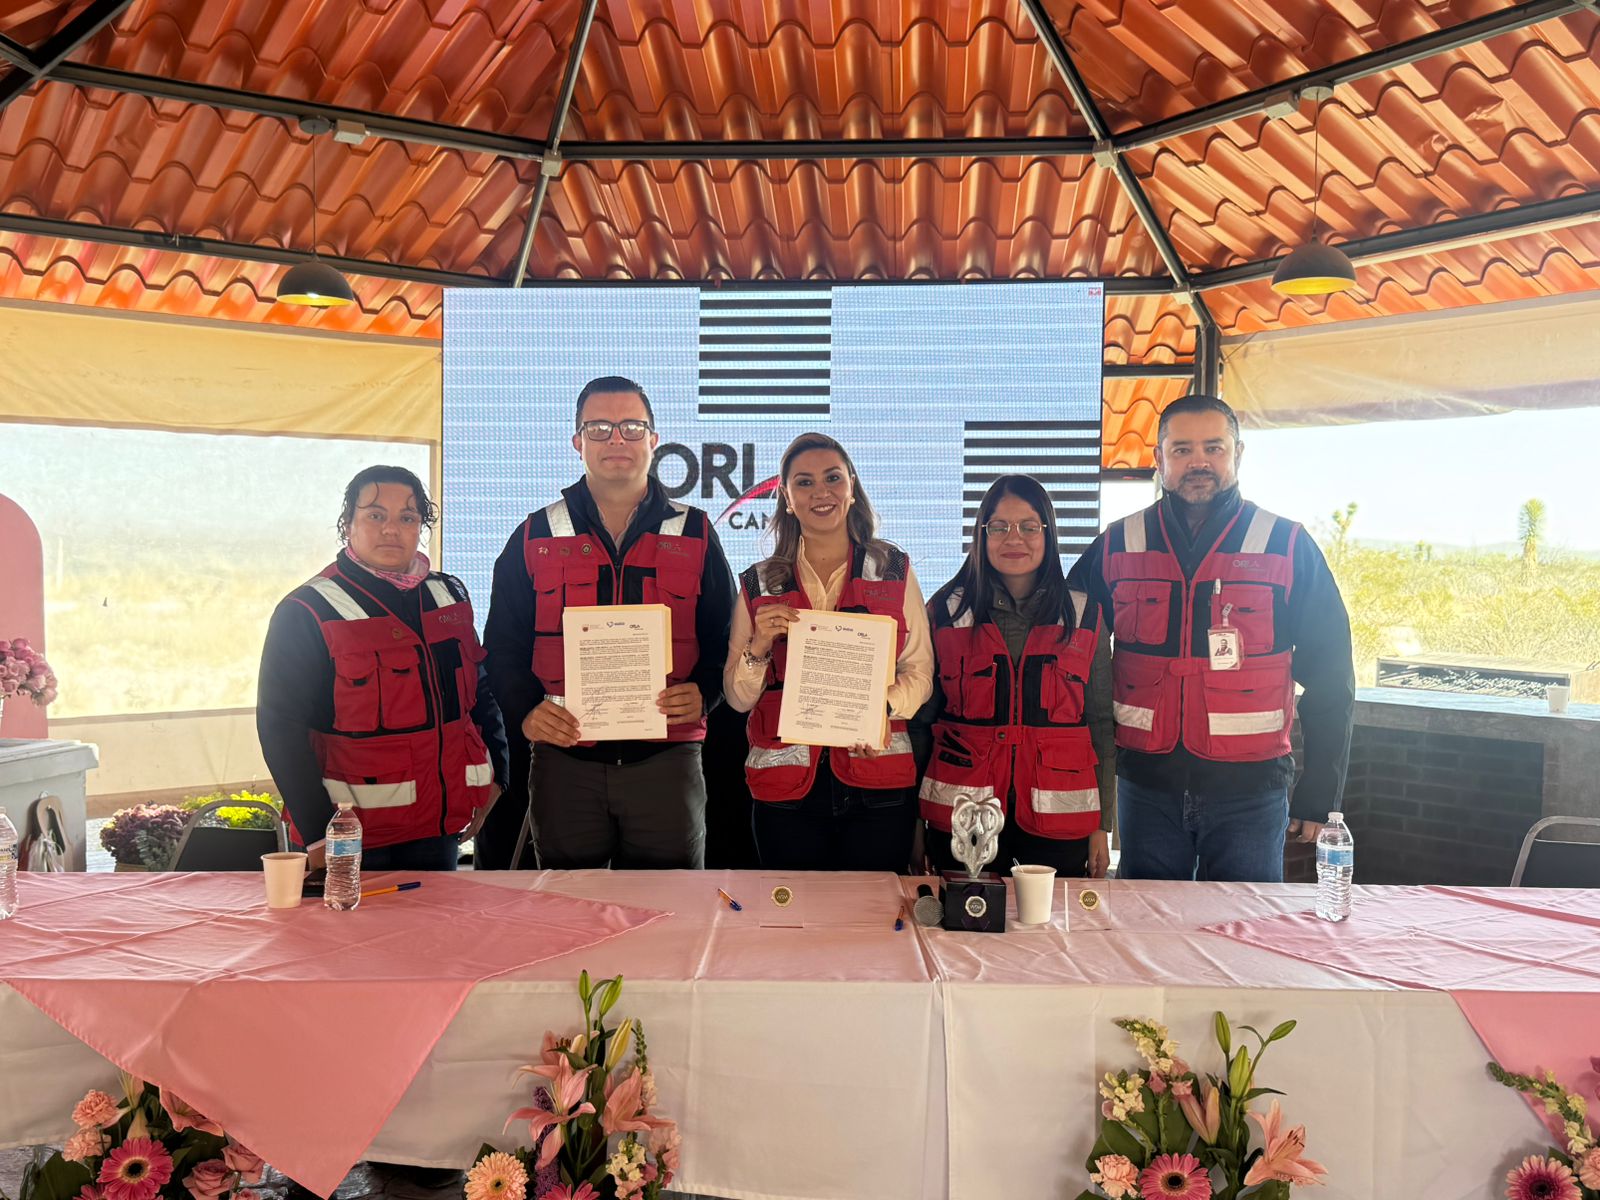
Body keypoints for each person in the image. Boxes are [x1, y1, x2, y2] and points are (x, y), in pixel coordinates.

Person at [1067, 394, 1354, 882]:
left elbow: (1331, 675)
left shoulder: (1285, 545)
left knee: (1242, 934)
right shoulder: (1117, 543)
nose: (1198, 461)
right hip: (1146, 787)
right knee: (1147, 933)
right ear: (1158, 459)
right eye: (1181, 450)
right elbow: (1066, 652)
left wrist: (1321, 791)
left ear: (1237, 455)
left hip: (1250, 792)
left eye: (1213, 448)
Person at [482, 376, 735, 870]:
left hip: (667, 762)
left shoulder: (696, 531)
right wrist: (527, 710)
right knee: (571, 915)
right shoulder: (534, 533)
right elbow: (502, 644)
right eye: (599, 428)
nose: (616, 439)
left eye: (630, 426)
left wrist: (706, 692)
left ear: (654, 440)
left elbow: (724, 637)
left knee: (670, 915)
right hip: (565, 762)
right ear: (577, 441)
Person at [257, 465, 509, 872]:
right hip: (351, 839)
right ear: (348, 525)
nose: (391, 529)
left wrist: (498, 778)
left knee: (437, 935)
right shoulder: (306, 611)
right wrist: (320, 833)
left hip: (437, 830)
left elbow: (481, 695)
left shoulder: (449, 596)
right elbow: (278, 727)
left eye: (407, 518)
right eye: (375, 515)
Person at [725, 432, 933, 872]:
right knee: (793, 924)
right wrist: (759, 646)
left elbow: (919, 671)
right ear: (785, 498)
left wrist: (883, 706)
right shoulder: (758, 584)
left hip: (877, 784)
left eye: (833, 478)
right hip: (786, 793)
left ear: (851, 487)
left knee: (873, 926)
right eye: (804, 482)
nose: (821, 492)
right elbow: (739, 697)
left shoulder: (895, 569)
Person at [915, 475, 1115, 879]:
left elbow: (1099, 725)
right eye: (999, 527)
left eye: (1028, 526)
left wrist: (1102, 825)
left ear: (1048, 533)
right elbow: (920, 725)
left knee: (1050, 937)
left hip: (1060, 826)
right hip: (959, 821)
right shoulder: (944, 612)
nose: (1014, 539)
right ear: (982, 535)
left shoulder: (1084, 614)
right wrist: (912, 826)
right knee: (961, 935)